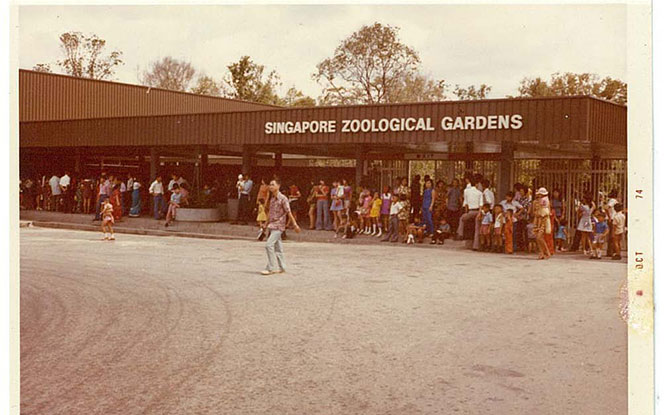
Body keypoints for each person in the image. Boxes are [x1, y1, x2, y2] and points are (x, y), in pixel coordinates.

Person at [261, 178, 300, 275]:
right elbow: (270, 213)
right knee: (278, 248)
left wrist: (294, 224)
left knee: (268, 245)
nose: (271, 186)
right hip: (272, 225)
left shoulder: (283, 198)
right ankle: (282, 267)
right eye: (270, 184)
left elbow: (288, 212)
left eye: (273, 184)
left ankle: (270, 267)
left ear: (278, 186)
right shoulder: (273, 199)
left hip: (279, 226)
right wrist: (266, 223)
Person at [457, 177, 483, 243]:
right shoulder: (480, 193)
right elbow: (481, 205)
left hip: (470, 211)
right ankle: (476, 245)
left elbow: (466, 203)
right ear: (476, 184)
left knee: (462, 219)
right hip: (477, 211)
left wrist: (466, 212)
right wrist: (479, 214)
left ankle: (460, 233)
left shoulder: (466, 191)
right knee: (477, 229)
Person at [533, 187, 552, 260]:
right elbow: (534, 211)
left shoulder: (546, 202)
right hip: (537, 220)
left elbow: (548, 212)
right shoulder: (536, 202)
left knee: (539, 237)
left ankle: (546, 252)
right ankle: (542, 253)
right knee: (538, 238)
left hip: (543, 221)